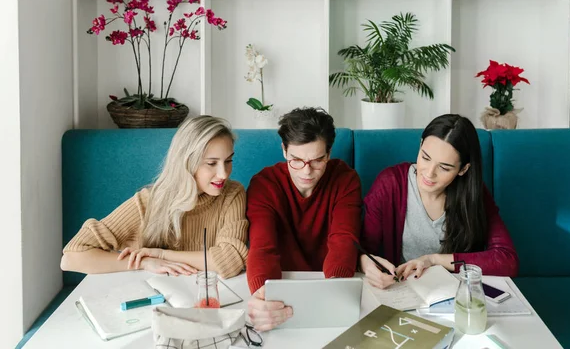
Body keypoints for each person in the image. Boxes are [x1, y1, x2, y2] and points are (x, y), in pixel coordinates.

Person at [60, 115, 249, 279]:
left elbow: (231, 260)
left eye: (228, 161)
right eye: (211, 163)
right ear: (187, 162)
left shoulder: (232, 194)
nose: (224, 174)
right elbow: (72, 257)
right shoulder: (148, 202)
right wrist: (144, 263)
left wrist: (161, 254)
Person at [360, 114, 518, 290]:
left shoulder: (474, 194)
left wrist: (433, 260)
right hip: (402, 291)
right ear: (420, 145)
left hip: (453, 295)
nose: (429, 173)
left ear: (463, 169)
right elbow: (362, 250)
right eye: (425, 158)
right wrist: (366, 263)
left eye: (444, 167)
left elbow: (507, 260)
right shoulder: (390, 184)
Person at [245, 107, 362, 331]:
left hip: (330, 284)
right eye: (296, 160)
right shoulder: (264, 184)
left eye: (317, 160)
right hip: (281, 285)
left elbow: (343, 239)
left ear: (328, 154)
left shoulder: (346, 180)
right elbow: (262, 246)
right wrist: (262, 295)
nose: (306, 172)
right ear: (284, 151)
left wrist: (334, 292)